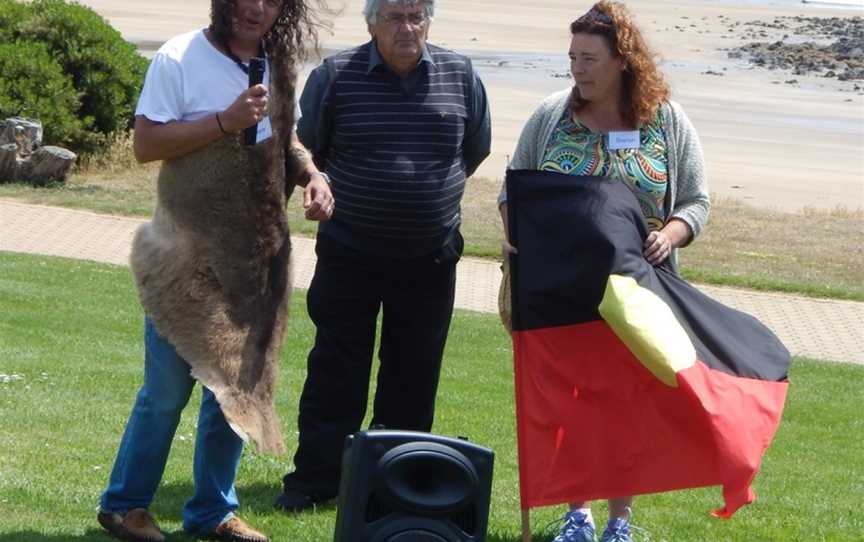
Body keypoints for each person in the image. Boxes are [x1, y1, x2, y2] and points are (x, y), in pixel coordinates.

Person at [97, 1, 333, 541]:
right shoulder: (180, 56)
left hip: (253, 263)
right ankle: (124, 505)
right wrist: (224, 121)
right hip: (184, 256)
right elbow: (145, 143)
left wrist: (313, 174)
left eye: (272, 0)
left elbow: (284, 139)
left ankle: (212, 512)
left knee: (233, 392)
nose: (257, 8)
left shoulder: (277, 63)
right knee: (166, 391)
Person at [498, 2, 710, 542]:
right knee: (572, 404)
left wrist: (670, 233)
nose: (577, 69)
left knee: (626, 409)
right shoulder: (552, 115)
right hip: (563, 292)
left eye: (589, 58)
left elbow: (695, 202)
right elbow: (512, 188)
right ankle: (577, 516)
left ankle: (619, 522)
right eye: (572, 57)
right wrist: (510, 230)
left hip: (639, 292)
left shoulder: (666, 119)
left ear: (622, 60)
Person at [274, 0, 491, 512]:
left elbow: (473, 150)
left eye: (417, 15)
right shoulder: (336, 75)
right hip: (350, 252)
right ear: (372, 23)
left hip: (430, 258)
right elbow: (311, 150)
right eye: (395, 16)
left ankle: (394, 487)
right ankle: (317, 482)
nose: (407, 27)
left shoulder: (461, 75)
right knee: (335, 371)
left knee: (413, 377)